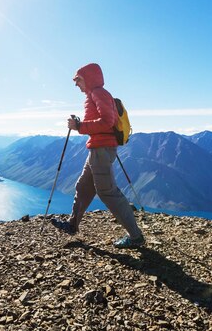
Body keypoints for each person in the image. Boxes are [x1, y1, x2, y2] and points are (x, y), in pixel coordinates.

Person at [51, 63, 145, 249]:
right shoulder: (95, 95)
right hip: (98, 148)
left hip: (102, 149)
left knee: (107, 192)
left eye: (78, 80)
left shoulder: (98, 93)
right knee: (84, 186)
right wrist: (81, 124)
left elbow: (106, 122)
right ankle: (72, 225)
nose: (76, 84)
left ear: (89, 78)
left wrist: (79, 126)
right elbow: (102, 121)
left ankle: (136, 237)